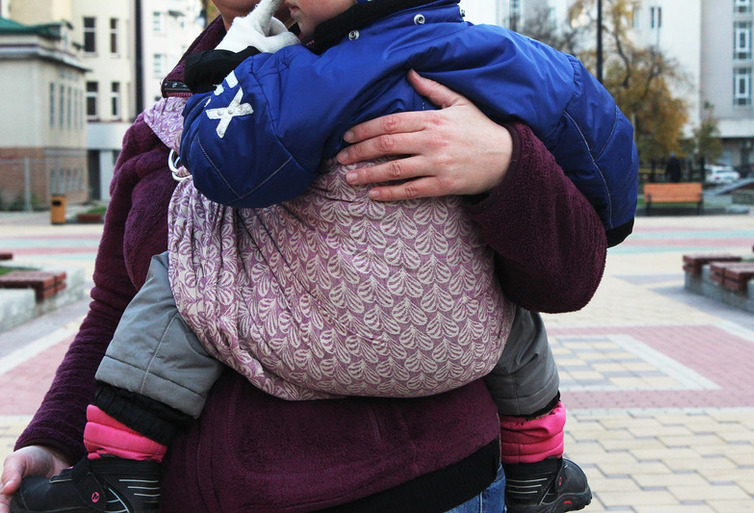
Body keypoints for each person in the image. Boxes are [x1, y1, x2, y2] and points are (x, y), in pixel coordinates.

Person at [2, 3, 624, 513]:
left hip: (427, 489)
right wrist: (54, 440)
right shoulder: (163, 122)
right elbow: (115, 304)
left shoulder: (443, 77)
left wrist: (507, 165)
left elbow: (567, 282)